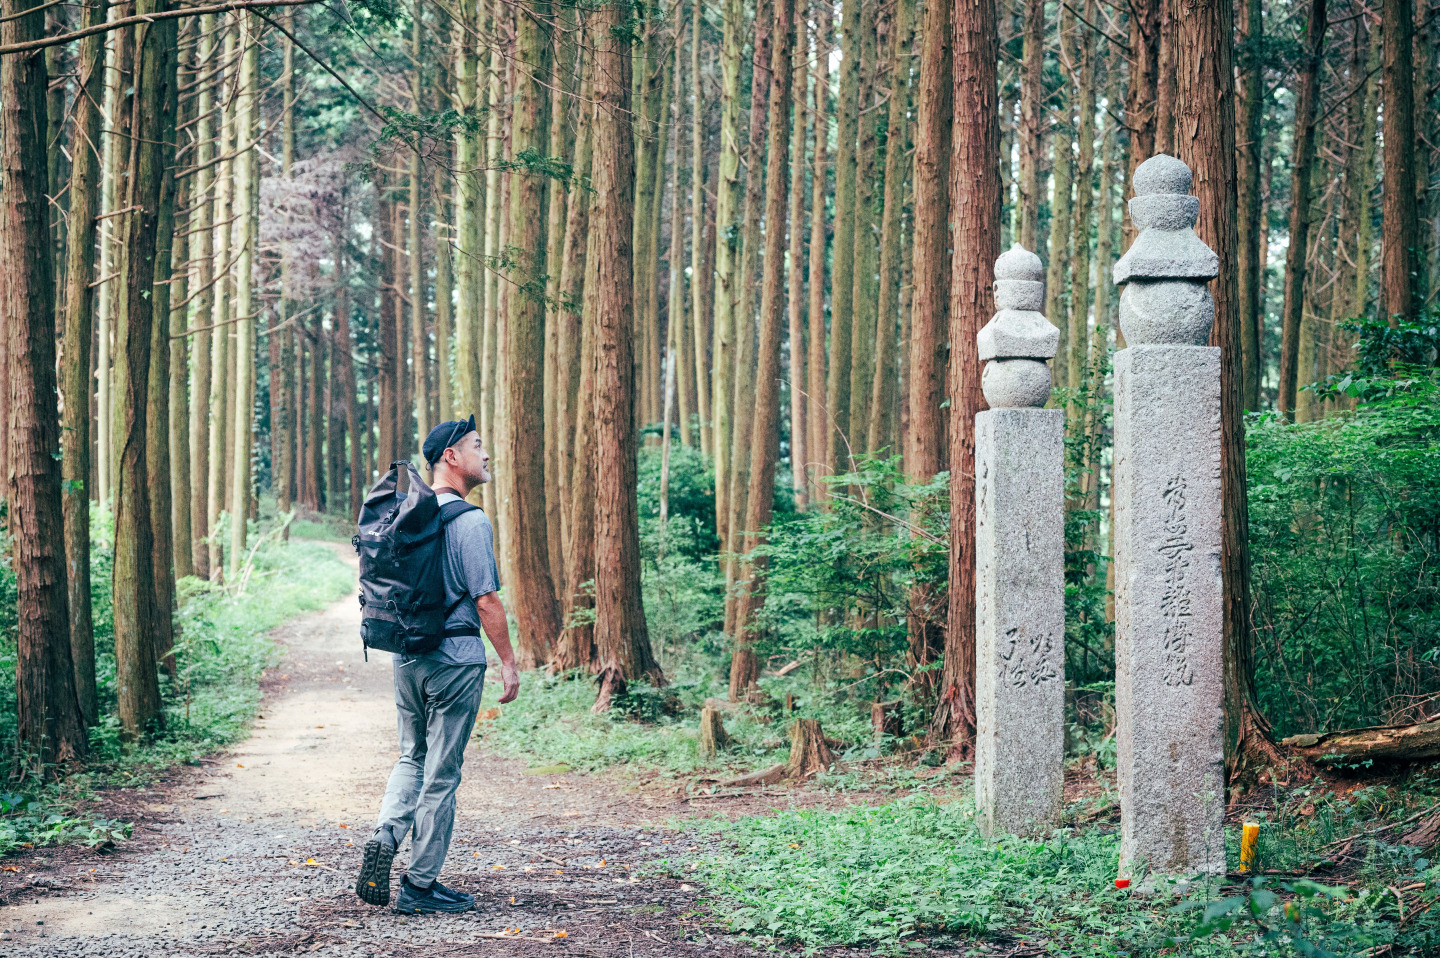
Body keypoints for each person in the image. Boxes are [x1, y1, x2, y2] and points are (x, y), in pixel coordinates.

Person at [354, 415, 521, 914]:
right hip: (455, 660)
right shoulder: (471, 521)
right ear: (451, 456)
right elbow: (486, 600)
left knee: (412, 757)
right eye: (477, 445)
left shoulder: (407, 517)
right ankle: (420, 886)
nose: (485, 454)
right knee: (442, 773)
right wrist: (508, 662)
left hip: (407, 657)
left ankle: (386, 832)